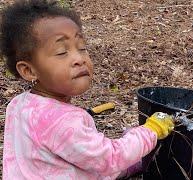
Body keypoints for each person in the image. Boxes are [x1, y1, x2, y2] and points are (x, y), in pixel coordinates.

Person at [0, 0, 174, 179]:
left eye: (82, 48)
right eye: (61, 52)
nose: (79, 59)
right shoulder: (66, 122)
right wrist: (150, 131)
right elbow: (111, 158)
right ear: (29, 70)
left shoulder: (18, 104)